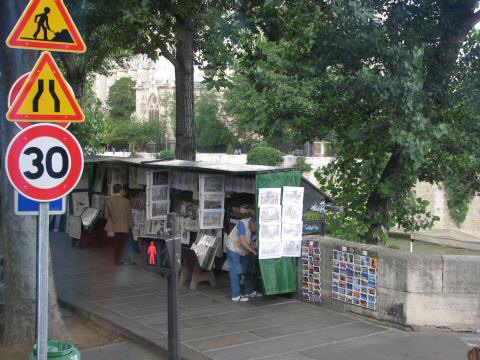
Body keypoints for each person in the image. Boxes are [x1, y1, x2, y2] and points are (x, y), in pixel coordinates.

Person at [226, 216, 262, 301]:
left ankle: (249, 291)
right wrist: (253, 251)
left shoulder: (257, 227)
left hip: (245, 250)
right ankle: (236, 295)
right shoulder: (243, 224)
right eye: (254, 228)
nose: (255, 230)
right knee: (236, 270)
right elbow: (242, 241)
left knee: (248, 269)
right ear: (251, 223)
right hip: (233, 247)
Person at [104, 184, 133, 265]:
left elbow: (106, 216)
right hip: (124, 227)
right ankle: (122, 259)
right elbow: (129, 215)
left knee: (116, 244)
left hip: (113, 226)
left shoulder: (109, 201)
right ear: (121, 190)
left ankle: (117, 260)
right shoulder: (126, 201)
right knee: (123, 244)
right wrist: (131, 225)